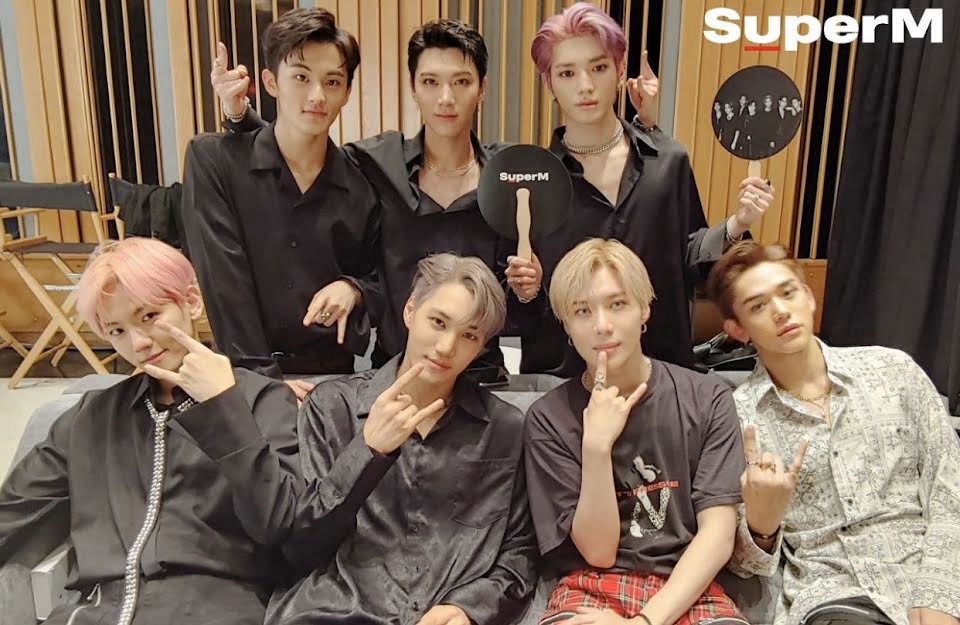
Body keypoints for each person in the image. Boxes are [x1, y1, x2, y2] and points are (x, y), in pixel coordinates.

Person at [0, 237, 301, 625]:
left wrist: (224, 408)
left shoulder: (261, 401)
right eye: (116, 331)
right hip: (92, 614)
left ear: (191, 301)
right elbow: (13, 512)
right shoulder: (92, 417)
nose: (139, 343)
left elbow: (283, 527)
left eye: (149, 316)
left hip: (216, 612)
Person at [214, 19, 516, 379]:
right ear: (413, 87)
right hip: (393, 372)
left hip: (479, 373)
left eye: (462, 82)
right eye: (430, 82)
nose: (446, 98)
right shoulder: (376, 161)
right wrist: (239, 116)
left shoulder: (508, 175)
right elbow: (299, 147)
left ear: (482, 88)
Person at [269, 253, 539, 625]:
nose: (446, 346)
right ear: (410, 311)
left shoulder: (504, 429)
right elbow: (299, 547)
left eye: (469, 335)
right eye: (438, 322)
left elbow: (521, 551)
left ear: (481, 347)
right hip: (336, 612)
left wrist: (469, 608)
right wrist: (368, 451)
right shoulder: (333, 408)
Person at [511, 2, 775, 376]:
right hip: (564, 376)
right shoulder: (534, 181)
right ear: (548, 82)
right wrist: (527, 288)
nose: (585, 86)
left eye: (599, 68)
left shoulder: (667, 161)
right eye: (567, 73)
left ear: (620, 70)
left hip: (661, 368)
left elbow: (690, 258)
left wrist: (737, 223)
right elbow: (517, 300)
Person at [706, 241, 960, 625]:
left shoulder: (894, 372)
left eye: (788, 293)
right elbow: (742, 565)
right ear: (737, 329)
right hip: (834, 597)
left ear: (809, 297)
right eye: (758, 306)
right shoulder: (738, 418)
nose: (780, 311)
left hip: (928, 573)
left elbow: (950, 488)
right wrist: (760, 525)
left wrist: (940, 594)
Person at [524, 238, 748, 625]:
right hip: (592, 586)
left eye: (617, 304)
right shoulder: (548, 418)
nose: (602, 325)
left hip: (687, 584)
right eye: (582, 311)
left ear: (644, 309)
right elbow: (598, 553)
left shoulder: (707, 398)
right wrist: (596, 447)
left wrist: (645, 622)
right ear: (566, 325)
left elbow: (718, 535)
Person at [182, 8, 379, 397]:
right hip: (243, 377)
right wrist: (264, 385)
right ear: (271, 82)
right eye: (301, 77)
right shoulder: (214, 162)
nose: (317, 95)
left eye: (332, 81)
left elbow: (381, 273)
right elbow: (225, 282)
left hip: (330, 379)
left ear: (347, 93)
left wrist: (354, 288)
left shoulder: (361, 184)